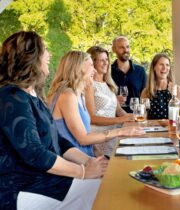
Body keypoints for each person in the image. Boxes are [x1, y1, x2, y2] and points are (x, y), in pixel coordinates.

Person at [0, 31, 108, 210]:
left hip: (44, 180)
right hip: (21, 189)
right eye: (45, 50)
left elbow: (59, 141)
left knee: (107, 182)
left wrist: (87, 161)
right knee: (104, 190)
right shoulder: (10, 96)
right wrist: (82, 172)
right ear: (31, 57)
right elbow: (35, 153)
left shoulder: (32, 96)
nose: (49, 55)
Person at [47, 51, 144, 157]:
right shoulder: (67, 95)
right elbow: (83, 138)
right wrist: (119, 131)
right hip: (75, 163)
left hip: (86, 156)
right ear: (78, 68)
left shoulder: (77, 94)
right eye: (91, 65)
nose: (94, 70)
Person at [85, 46, 134, 156]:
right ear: (92, 63)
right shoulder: (89, 85)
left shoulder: (108, 84)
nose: (106, 63)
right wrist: (121, 119)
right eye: (101, 60)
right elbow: (91, 118)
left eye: (106, 59)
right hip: (100, 138)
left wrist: (132, 119)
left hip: (114, 133)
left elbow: (119, 110)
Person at [111, 36, 147, 113]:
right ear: (114, 49)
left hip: (137, 116)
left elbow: (146, 96)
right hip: (115, 118)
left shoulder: (140, 71)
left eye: (127, 47)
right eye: (121, 47)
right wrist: (114, 100)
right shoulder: (108, 71)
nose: (126, 50)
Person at [141, 53, 180, 119]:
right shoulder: (146, 92)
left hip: (171, 128)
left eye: (167, 65)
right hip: (151, 128)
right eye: (161, 65)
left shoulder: (177, 89)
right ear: (154, 67)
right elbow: (143, 117)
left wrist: (174, 96)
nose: (164, 68)